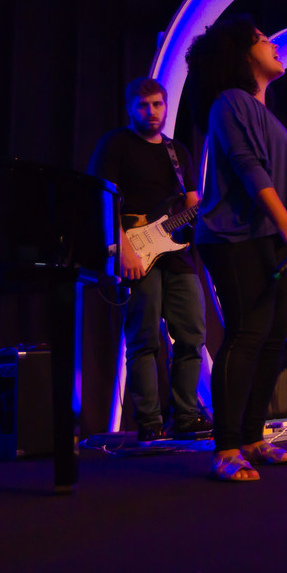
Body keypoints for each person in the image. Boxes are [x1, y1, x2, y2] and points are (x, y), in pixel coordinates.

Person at [187, 14, 287, 481]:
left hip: (272, 237)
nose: (273, 42)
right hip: (236, 240)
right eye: (260, 39)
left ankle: (253, 438)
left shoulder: (263, 114)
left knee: (272, 340)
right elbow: (251, 172)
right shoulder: (229, 102)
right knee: (246, 335)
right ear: (239, 54)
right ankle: (226, 448)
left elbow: (282, 179)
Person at [89, 77, 210, 443]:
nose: (152, 112)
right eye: (143, 106)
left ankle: (186, 415)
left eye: (157, 104)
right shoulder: (115, 145)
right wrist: (123, 248)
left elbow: (191, 203)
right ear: (129, 108)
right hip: (135, 251)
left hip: (175, 253)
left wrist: (213, 204)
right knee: (144, 341)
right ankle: (149, 421)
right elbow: (99, 197)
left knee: (192, 334)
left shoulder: (178, 152)